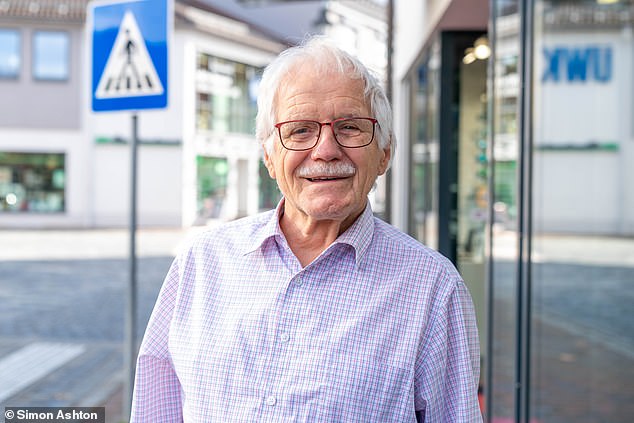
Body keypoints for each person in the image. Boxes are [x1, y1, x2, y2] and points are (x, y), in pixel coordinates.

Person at [130, 36, 482, 422]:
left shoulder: (433, 288)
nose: (326, 150)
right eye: (300, 131)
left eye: (349, 127)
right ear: (269, 157)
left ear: (383, 154)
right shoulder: (202, 262)